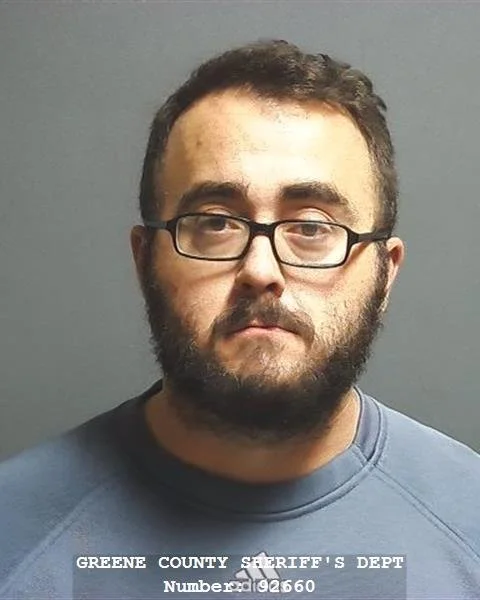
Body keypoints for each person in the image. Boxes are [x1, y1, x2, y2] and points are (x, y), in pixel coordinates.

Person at [0, 39, 479, 600]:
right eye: (216, 222)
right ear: (144, 259)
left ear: (385, 272)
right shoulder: (14, 535)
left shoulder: (467, 520)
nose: (261, 270)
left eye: (313, 226)